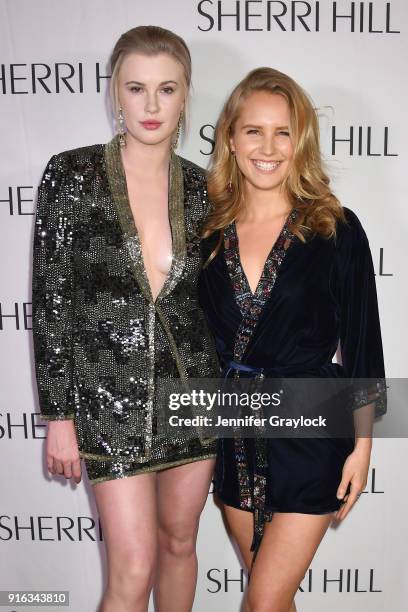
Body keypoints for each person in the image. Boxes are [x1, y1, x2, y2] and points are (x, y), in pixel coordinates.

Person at [32, 25, 220, 612]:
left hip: (193, 397)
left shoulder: (207, 188)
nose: (152, 105)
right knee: (132, 566)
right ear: (115, 91)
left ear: (187, 94)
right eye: (136, 88)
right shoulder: (72, 175)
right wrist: (59, 414)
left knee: (180, 542)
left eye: (167, 89)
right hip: (108, 404)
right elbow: (52, 300)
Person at [198, 67, 387, 612]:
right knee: (272, 600)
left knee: (262, 601)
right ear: (230, 140)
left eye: (283, 132)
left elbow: (363, 342)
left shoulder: (335, 228)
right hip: (234, 435)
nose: (268, 147)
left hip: (310, 431)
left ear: (300, 141)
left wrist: (363, 445)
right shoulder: (208, 236)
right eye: (253, 130)